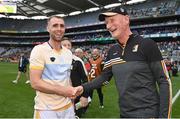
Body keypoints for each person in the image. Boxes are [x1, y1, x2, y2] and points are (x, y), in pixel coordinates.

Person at [77, 7, 172, 118]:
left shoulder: (147, 44)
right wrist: (83, 88)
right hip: (124, 114)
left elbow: (164, 81)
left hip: (148, 114)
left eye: (112, 20)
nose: (108, 26)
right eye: (106, 23)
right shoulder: (112, 51)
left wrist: (164, 117)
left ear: (126, 19)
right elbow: (104, 77)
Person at [29, 16, 80, 119]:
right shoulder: (39, 50)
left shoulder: (68, 53)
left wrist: (71, 93)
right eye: (55, 25)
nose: (59, 29)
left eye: (62, 26)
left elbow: (66, 78)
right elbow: (35, 83)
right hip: (46, 109)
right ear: (48, 28)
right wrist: (63, 91)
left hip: (67, 107)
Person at [61, 37, 89, 117]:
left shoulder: (77, 61)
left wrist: (85, 96)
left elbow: (85, 79)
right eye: (64, 45)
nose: (67, 47)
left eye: (69, 45)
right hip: (60, 95)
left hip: (75, 95)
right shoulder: (55, 60)